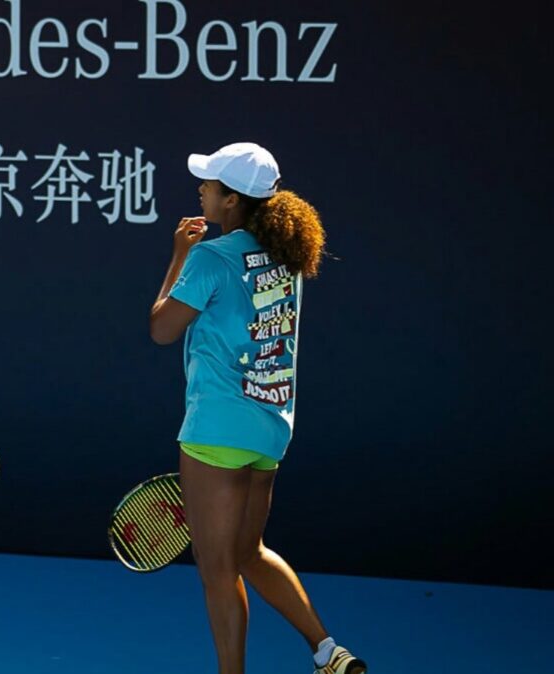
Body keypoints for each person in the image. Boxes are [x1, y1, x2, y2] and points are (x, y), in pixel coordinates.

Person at [147, 142, 367, 674]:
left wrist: (178, 254)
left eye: (209, 184)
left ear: (230, 200)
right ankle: (327, 651)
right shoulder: (285, 257)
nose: (200, 189)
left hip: (217, 428)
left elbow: (161, 328)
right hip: (269, 429)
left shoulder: (210, 258)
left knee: (217, 567)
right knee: (248, 552)